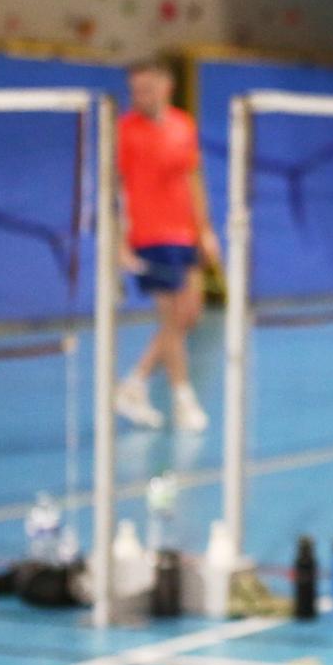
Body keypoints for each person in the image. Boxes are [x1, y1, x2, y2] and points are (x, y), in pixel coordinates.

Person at [113, 57, 219, 432]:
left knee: (190, 314)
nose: (140, 96)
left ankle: (135, 383)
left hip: (184, 234)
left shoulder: (183, 125)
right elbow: (115, 188)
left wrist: (205, 231)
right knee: (172, 317)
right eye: (135, 91)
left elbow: (193, 179)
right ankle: (183, 398)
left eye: (146, 88)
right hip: (149, 236)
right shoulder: (124, 131)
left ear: (166, 86)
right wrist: (119, 242)